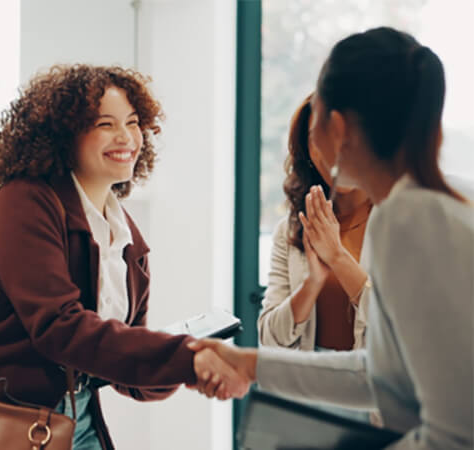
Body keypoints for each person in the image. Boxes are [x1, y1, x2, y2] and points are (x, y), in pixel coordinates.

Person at [0, 65, 248, 450]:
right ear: (63, 136)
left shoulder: (125, 236)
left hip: (74, 416)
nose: (126, 137)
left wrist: (188, 362)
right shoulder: (24, 202)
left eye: (133, 122)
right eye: (105, 124)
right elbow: (59, 328)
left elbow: (124, 373)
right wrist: (184, 359)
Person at [191, 27, 473, 450]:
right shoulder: (422, 207)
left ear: (337, 128)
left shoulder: (408, 219)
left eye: (317, 113)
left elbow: (455, 435)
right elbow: (382, 378)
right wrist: (249, 363)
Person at [257, 95, 374, 422]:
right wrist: (311, 284)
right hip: (308, 388)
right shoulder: (291, 229)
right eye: (315, 140)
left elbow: (401, 329)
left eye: (341, 138)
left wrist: (337, 257)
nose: (331, 152)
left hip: (374, 393)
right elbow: (270, 337)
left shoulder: (397, 220)